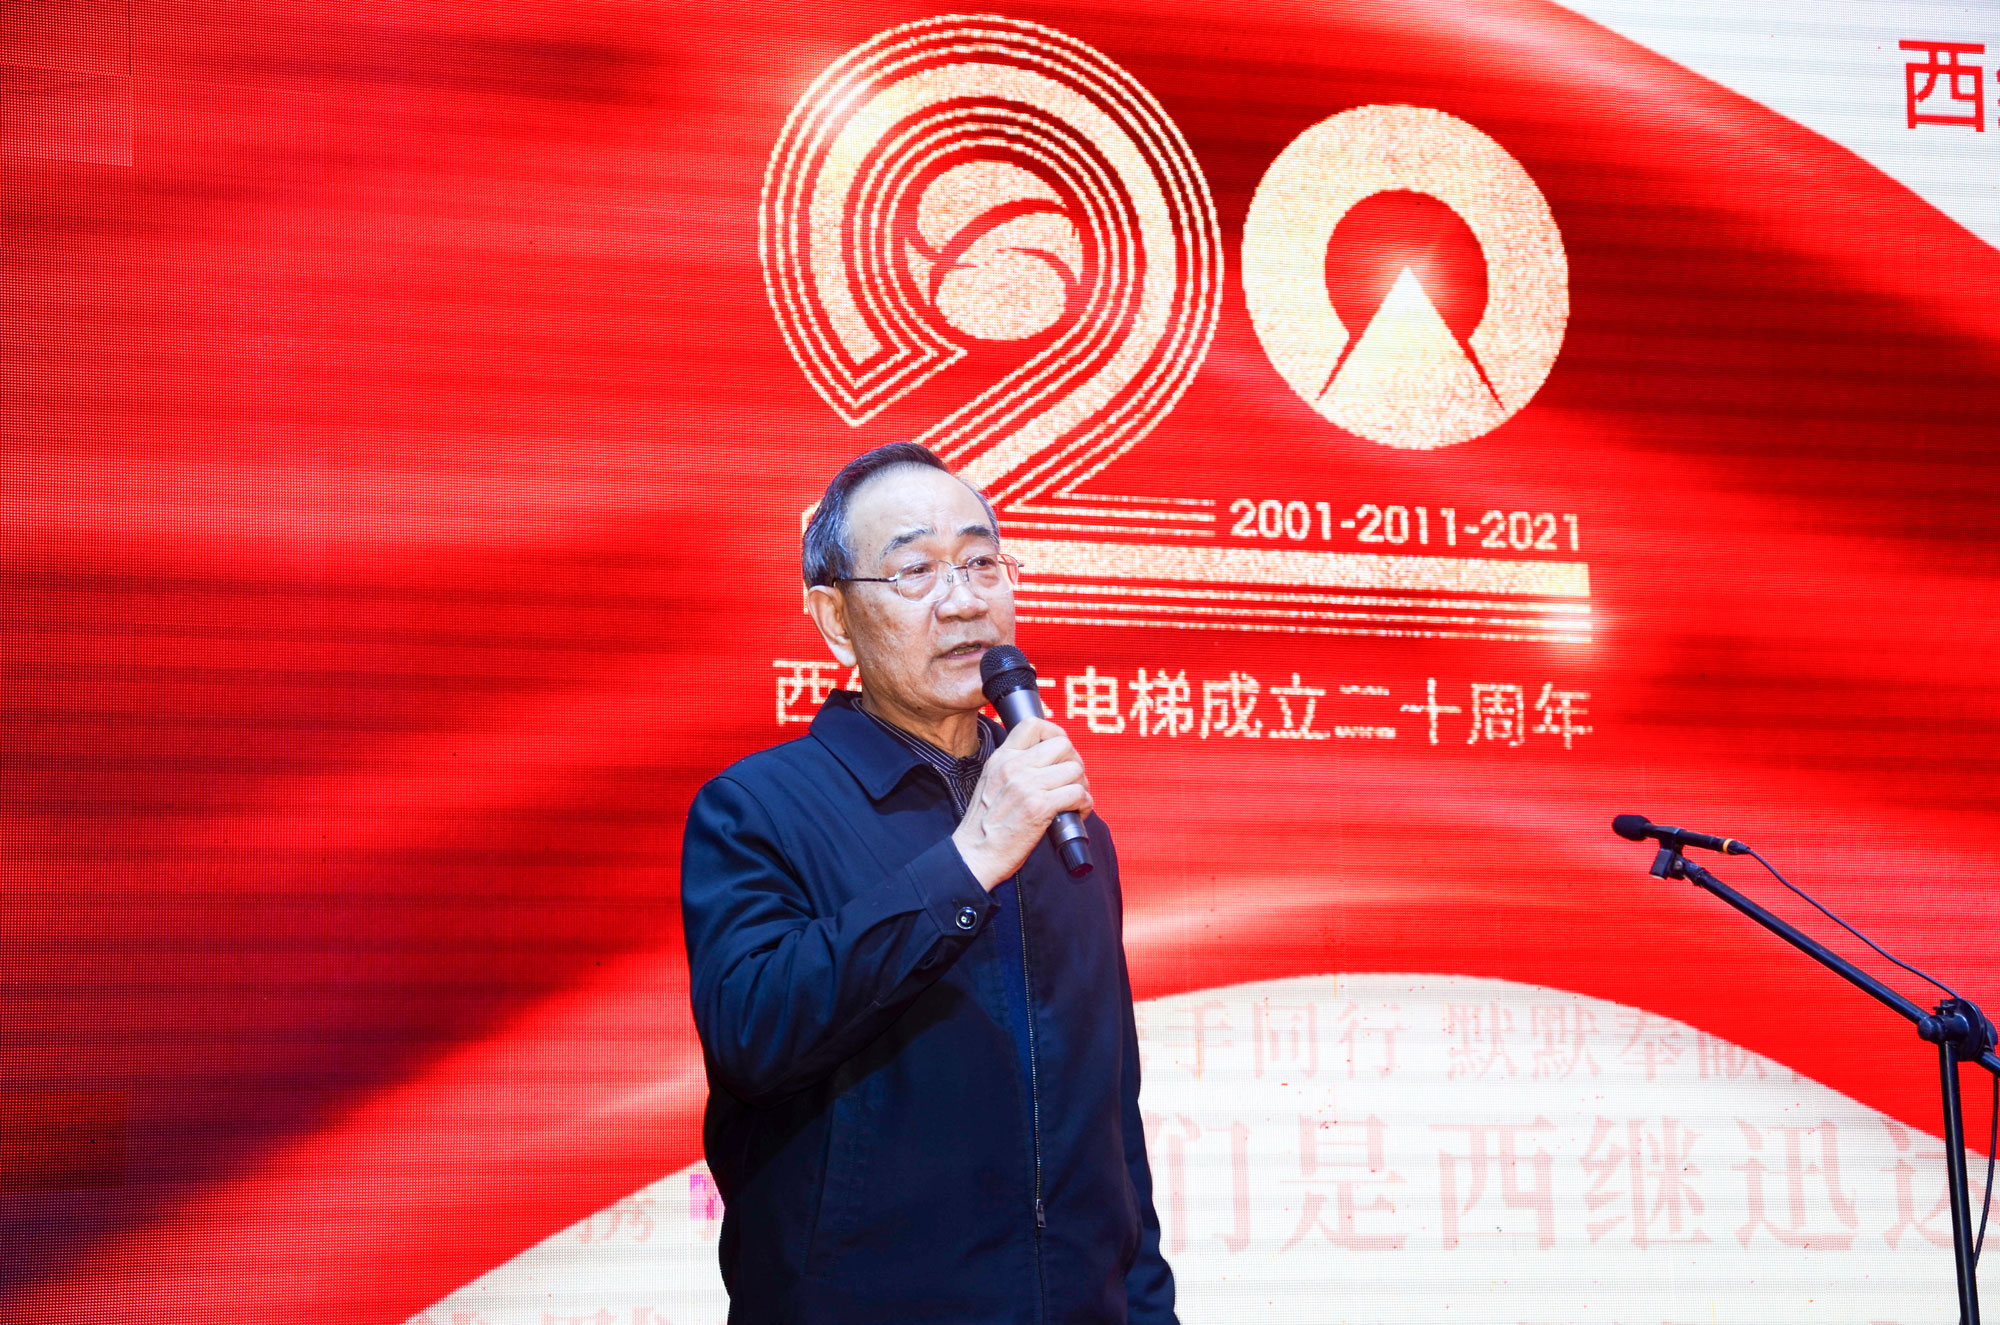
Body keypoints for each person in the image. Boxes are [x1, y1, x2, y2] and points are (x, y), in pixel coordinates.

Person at [680, 442, 1176, 1323]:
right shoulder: (757, 808)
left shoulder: (1069, 827)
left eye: (982, 563)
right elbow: (754, 1035)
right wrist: (970, 859)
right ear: (835, 618)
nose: (965, 599)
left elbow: (1112, 1126)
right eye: (916, 570)